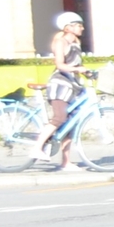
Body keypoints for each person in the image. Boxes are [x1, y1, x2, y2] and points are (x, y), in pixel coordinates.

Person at [35, 10, 86, 166]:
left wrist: (87, 71)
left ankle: (66, 162)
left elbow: (75, 64)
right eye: (78, 25)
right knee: (59, 118)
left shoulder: (76, 44)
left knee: (71, 123)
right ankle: (37, 148)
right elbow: (60, 64)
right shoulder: (61, 42)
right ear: (68, 27)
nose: (82, 28)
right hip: (60, 85)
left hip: (72, 86)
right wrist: (77, 69)